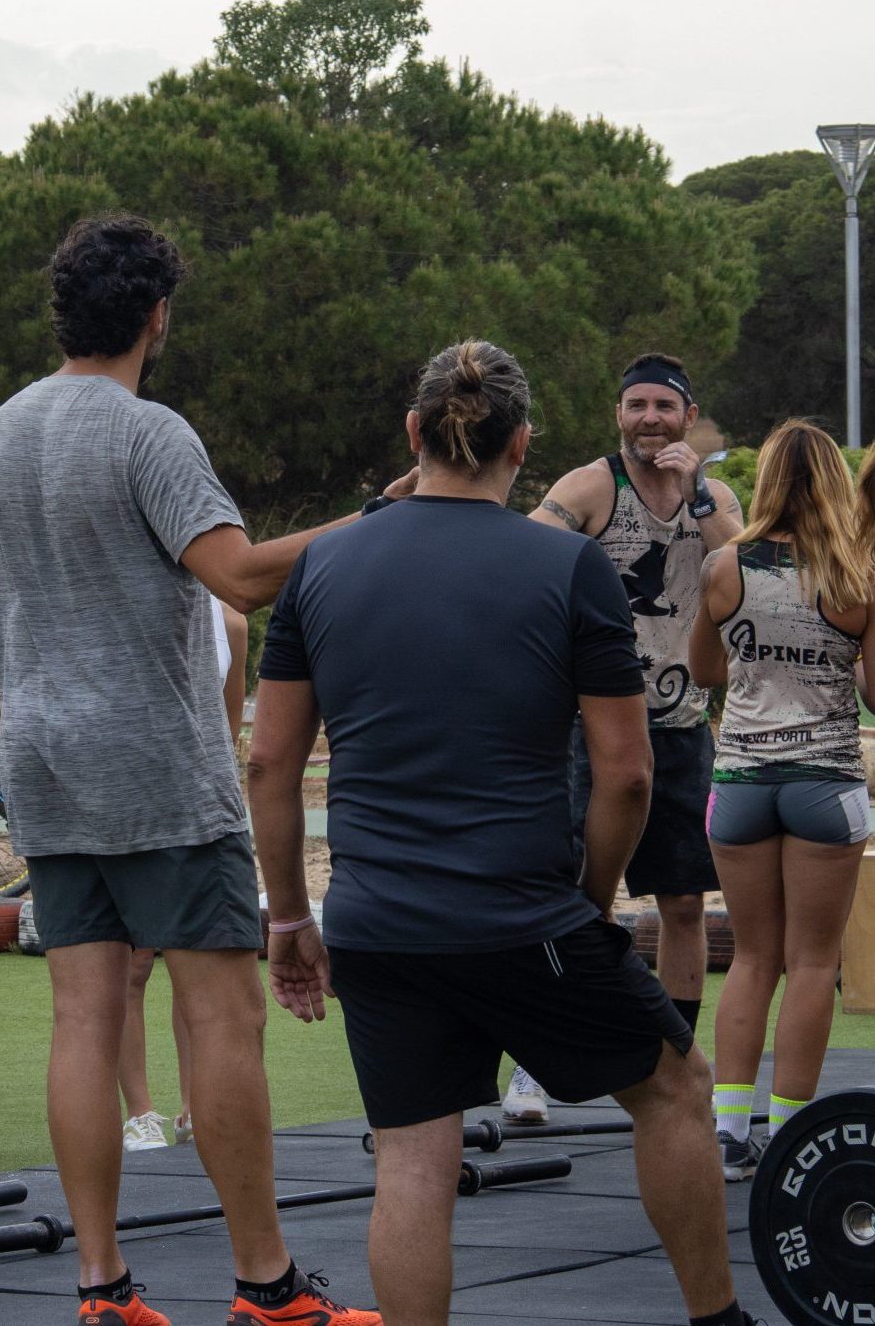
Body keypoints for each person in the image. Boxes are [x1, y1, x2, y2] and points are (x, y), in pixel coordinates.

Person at [249, 339, 758, 1326]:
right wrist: (591, 901)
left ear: (414, 433)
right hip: (524, 916)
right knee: (676, 1088)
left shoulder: (322, 564)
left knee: (412, 1156)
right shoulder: (567, 566)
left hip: (378, 925)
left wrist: (288, 918)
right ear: (521, 445)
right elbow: (628, 772)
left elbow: (269, 765)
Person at [0, 215, 381, 1326]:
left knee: (83, 1022)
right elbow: (241, 579)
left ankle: (101, 1289)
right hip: (156, 766)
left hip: (44, 764)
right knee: (223, 1018)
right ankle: (267, 1287)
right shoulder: (149, 431)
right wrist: (378, 519)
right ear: (157, 316)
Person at [506, 352, 744, 1123]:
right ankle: (538, 1066)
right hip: (590, 726)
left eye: (663, 407)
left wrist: (699, 490)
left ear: (688, 416)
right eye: (636, 405)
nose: (649, 419)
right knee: (579, 898)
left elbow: (751, 567)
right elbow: (521, 558)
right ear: (618, 413)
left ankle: (675, 1056)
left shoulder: (713, 497)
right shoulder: (591, 486)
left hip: (679, 726)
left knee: (684, 904)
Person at [688, 420, 873, 1182]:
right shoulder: (856, 574)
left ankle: (730, 1135)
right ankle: (792, 1133)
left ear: (765, 481)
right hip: (825, 784)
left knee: (753, 958)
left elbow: (706, 672)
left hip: (739, 785)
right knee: (813, 962)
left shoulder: (723, 564)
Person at [119, 598, 247, 1152]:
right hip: (126, 806)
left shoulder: (232, 623)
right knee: (132, 966)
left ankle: (197, 1106)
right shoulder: (130, 603)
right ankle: (139, 1111)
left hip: (196, 815)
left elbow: (227, 730)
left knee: (196, 967)